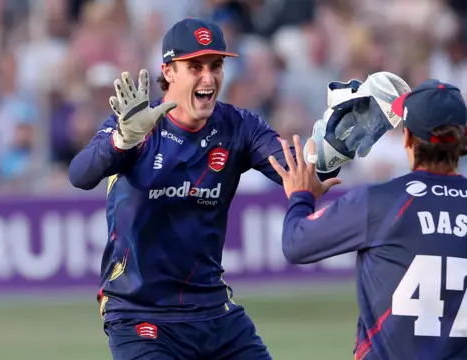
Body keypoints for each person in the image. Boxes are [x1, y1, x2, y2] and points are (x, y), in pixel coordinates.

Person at [68, 18, 348, 360]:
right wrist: (121, 141)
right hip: (139, 313)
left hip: (214, 311)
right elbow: (80, 175)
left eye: (216, 66)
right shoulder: (136, 125)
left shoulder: (239, 126)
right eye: (195, 66)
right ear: (168, 71)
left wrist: (338, 142)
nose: (209, 78)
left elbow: (297, 171)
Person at [271, 79, 467, 360]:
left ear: (407, 138)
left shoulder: (377, 202)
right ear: (465, 136)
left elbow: (296, 244)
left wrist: (301, 196)